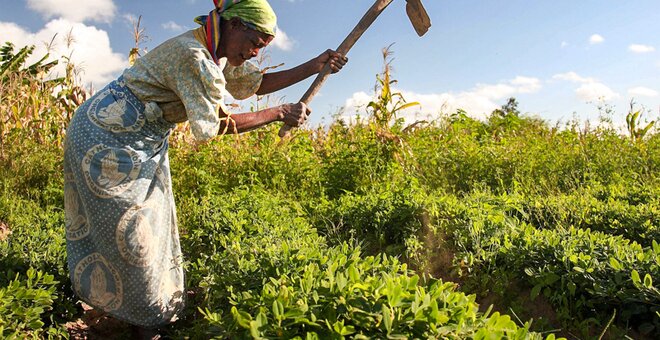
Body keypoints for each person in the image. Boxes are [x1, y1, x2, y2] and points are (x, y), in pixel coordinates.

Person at [62, 0, 346, 337]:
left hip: (139, 138)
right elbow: (215, 127)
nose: (255, 53)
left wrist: (315, 66)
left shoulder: (213, 51)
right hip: (106, 137)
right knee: (133, 233)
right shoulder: (194, 56)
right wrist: (279, 113)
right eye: (255, 43)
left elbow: (253, 84)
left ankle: (143, 313)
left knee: (152, 226)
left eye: (262, 47)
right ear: (235, 25)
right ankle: (143, 321)